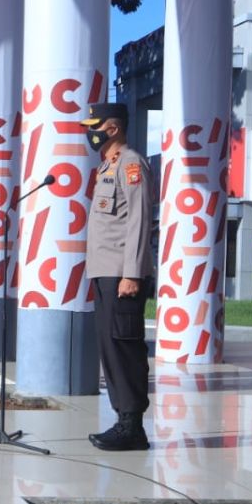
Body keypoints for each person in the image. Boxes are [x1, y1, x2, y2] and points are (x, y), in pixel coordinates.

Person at [81, 102, 155, 452]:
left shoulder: (130, 165)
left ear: (112, 128)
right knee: (110, 348)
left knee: (124, 349)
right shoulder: (106, 167)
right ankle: (123, 420)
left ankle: (132, 427)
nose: (88, 132)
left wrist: (132, 274)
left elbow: (139, 221)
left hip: (122, 276)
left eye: (93, 126)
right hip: (104, 272)